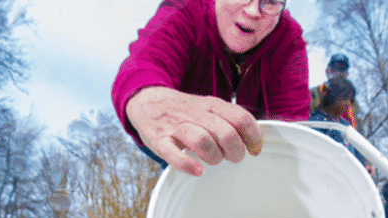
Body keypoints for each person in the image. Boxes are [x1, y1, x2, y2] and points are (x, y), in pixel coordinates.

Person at [112, 0, 310, 177]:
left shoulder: (289, 38)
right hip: (176, 130)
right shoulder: (185, 7)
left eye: (271, 1)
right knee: (186, 165)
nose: (252, 11)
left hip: (252, 135)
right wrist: (145, 98)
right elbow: (145, 61)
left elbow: (292, 124)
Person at [309, 53, 374, 177]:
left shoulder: (352, 104)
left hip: (348, 154)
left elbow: (357, 133)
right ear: (328, 71)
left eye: (343, 69)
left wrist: (366, 161)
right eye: (335, 68)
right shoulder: (314, 94)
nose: (339, 72)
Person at [309, 78, 369, 167]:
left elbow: (358, 153)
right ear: (333, 95)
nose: (348, 104)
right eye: (346, 98)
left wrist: (365, 164)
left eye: (351, 100)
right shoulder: (316, 122)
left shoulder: (346, 126)